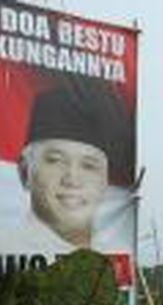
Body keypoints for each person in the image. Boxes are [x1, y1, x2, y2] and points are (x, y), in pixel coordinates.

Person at [18, 77, 134, 251]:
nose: (72, 179)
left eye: (89, 166)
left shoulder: (115, 256)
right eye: (55, 160)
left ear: (105, 181)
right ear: (25, 172)